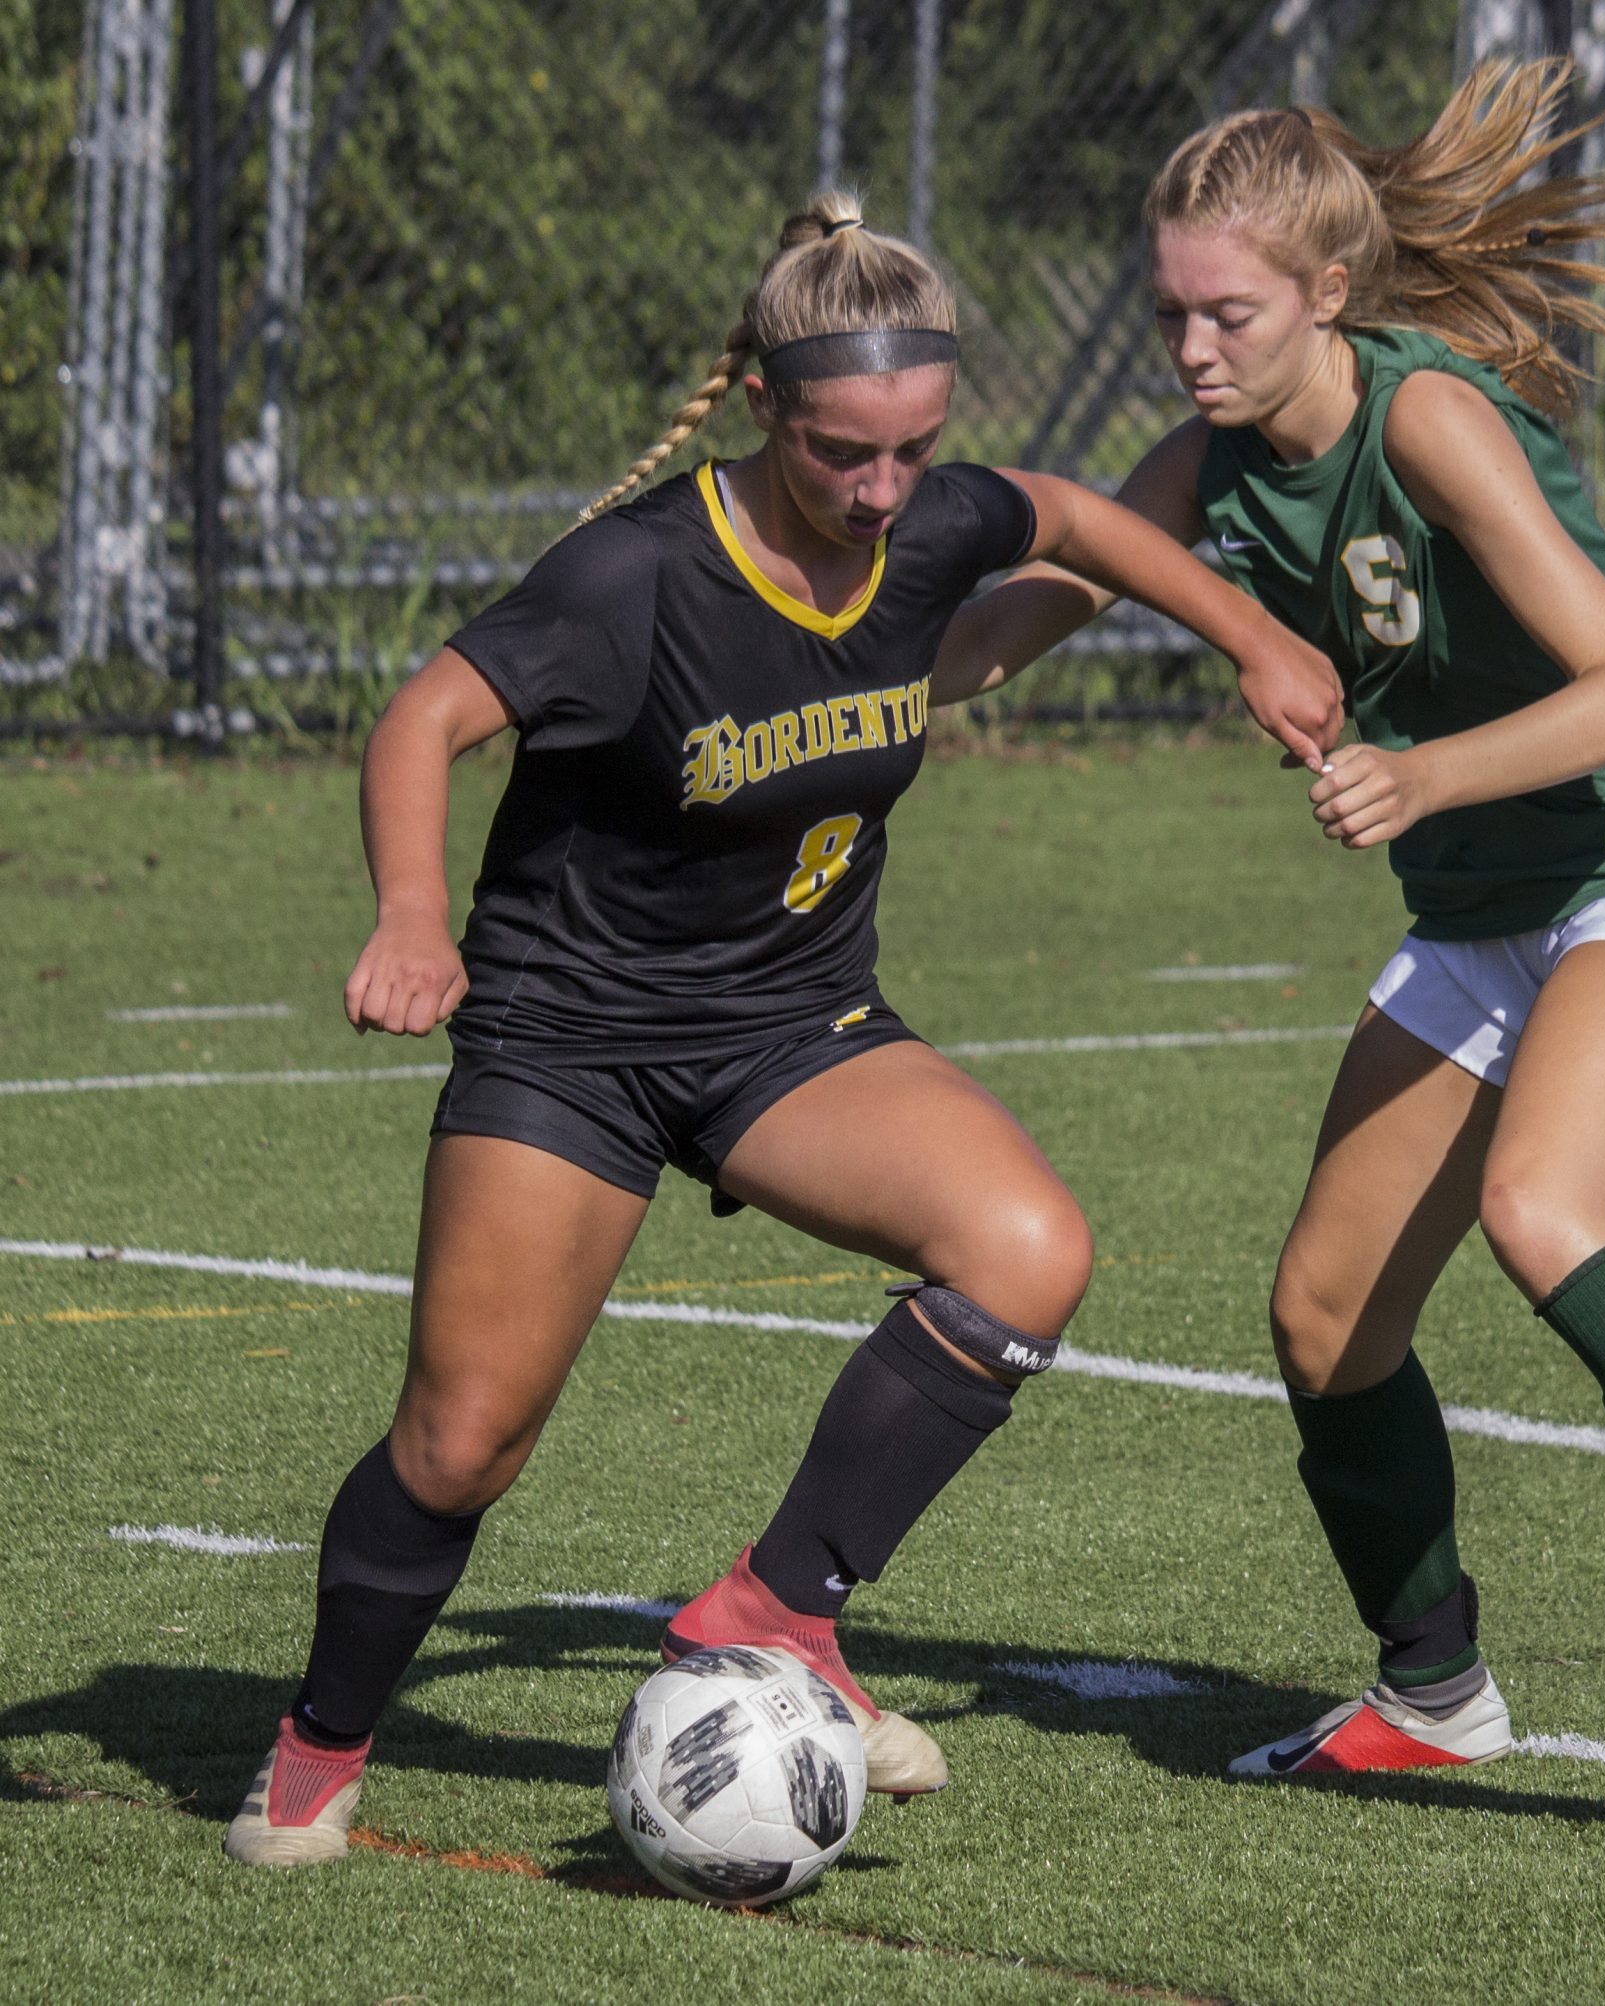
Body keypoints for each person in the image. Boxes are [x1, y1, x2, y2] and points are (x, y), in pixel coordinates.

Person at [224, 192, 1342, 1868]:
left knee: (1026, 1245)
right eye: (844, 454)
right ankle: (317, 1744)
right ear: (762, 407)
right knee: (464, 1440)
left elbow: (1081, 524)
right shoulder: (632, 576)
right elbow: (426, 714)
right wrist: (407, 914)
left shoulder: (932, 523)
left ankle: (774, 1609)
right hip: (572, 1038)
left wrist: (1258, 640)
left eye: (916, 449)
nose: (887, 489)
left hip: (786, 1024)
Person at [936, 61, 1605, 1786]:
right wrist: (825, 642)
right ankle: (1432, 1689)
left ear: (1328, 294)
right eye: (1171, 309)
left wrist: (1419, 775)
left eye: (1228, 313)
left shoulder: (1427, 421)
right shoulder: (1206, 457)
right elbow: (1011, 626)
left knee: (1545, 1205)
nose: (1190, 348)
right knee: (1328, 1320)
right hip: (1488, 901)